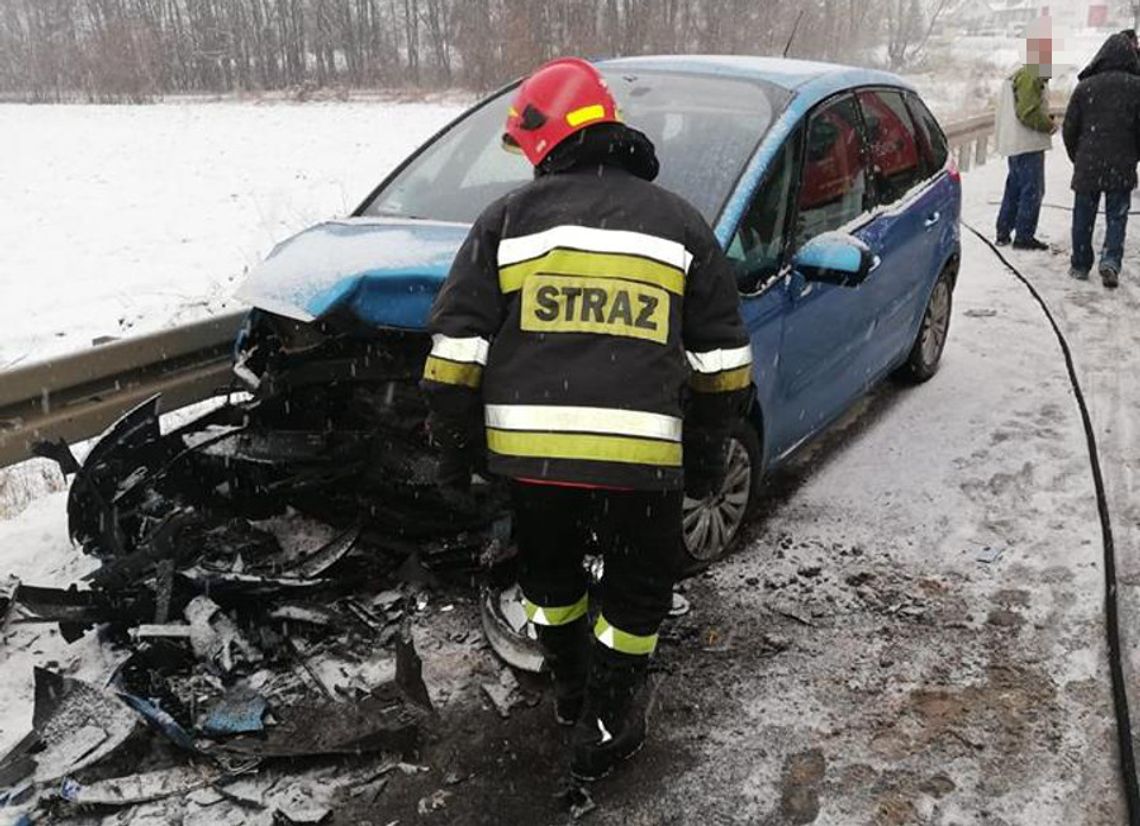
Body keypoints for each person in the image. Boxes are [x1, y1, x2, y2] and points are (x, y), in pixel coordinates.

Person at [420, 57, 752, 781]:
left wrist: (456, 453)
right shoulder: (681, 225)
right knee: (636, 596)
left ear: (547, 138)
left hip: (533, 464)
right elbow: (722, 363)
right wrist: (704, 459)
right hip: (642, 466)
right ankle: (608, 719)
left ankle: (571, 689)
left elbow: (454, 354)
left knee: (550, 580)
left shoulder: (506, 221)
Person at [1062, 30, 1140, 287]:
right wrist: (1133, 156)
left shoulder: (1086, 87)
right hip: (1122, 164)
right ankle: (1110, 262)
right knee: (1116, 216)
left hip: (1088, 163)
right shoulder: (1136, 87)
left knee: (1083, 216)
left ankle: (1081, 263)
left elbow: (1070, 128)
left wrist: (1078, 156)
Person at [994, 19, 1057, 250]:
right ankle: (1024, 236)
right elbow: (1027, 112)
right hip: (1028, 142)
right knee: (1032, 190)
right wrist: (1047, 125)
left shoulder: (1017, 71)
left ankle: (1003, 230)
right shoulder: (1031, 73)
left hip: (1015, 143)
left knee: (1014, 187)